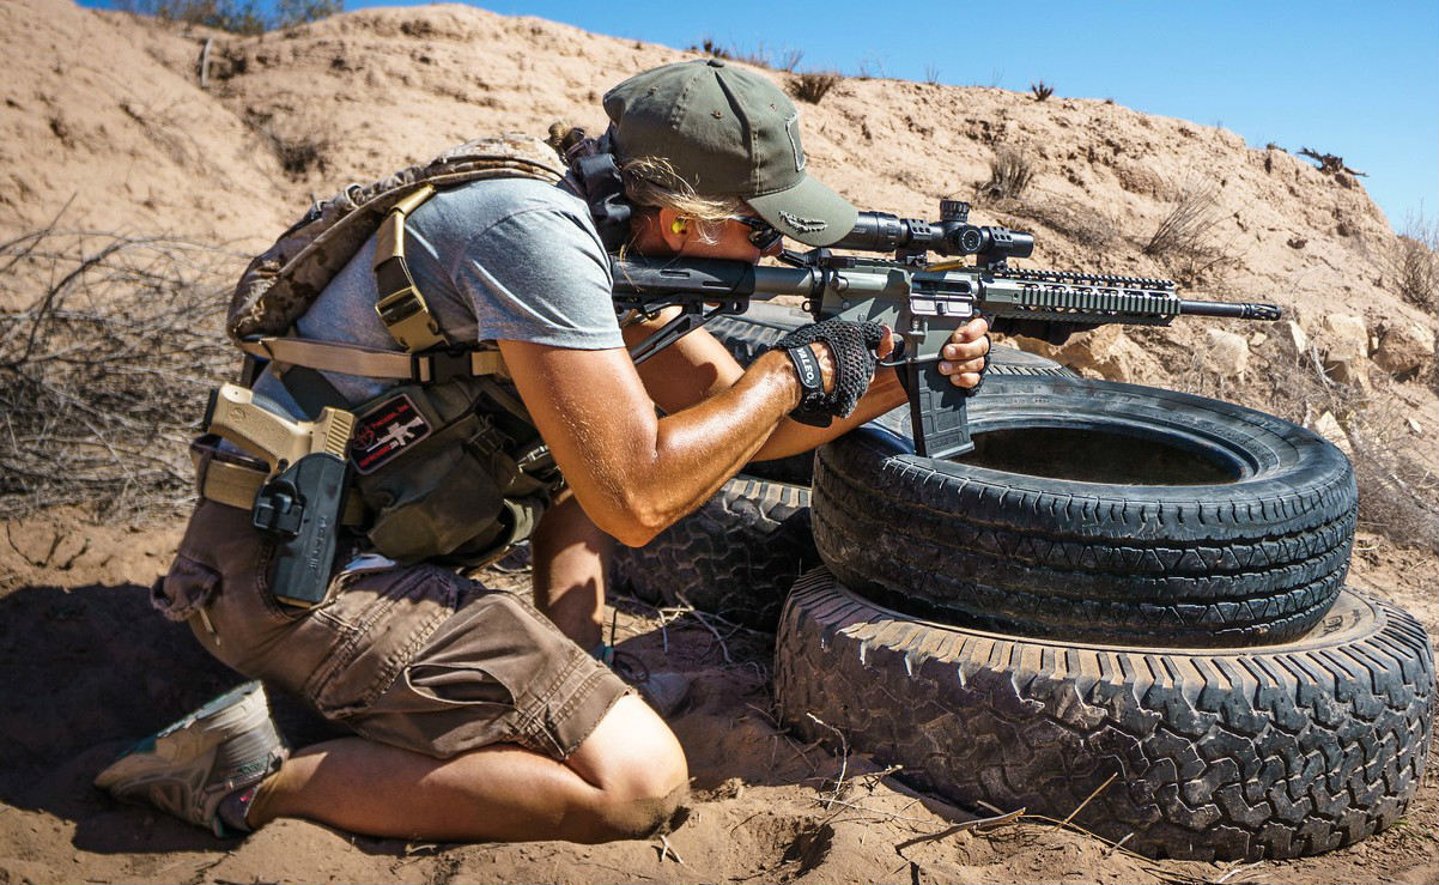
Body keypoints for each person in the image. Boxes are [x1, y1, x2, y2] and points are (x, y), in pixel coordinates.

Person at [94, 59, 991, 844]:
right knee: (635, 783)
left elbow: (735, 420)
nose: (779, 248)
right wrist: (788, 373)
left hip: (344, 543)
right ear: (682, 222)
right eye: (760, 230)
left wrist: (894, 377)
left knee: (588, 433)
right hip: (288, 577)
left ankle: (571, 671)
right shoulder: (533, 236)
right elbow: (635, 497)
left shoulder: (601, 228)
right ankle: (244, 777)